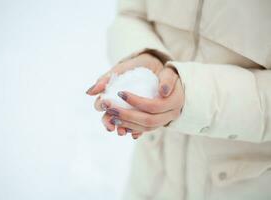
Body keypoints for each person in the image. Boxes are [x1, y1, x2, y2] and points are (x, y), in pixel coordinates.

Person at [86, 0, 271, 199]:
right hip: (153, 174)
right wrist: (145, 53)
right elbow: (130, 15)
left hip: (242, 184)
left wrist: (192, 96)